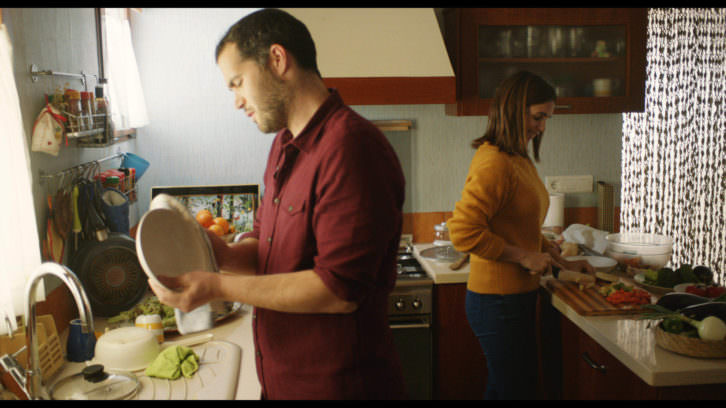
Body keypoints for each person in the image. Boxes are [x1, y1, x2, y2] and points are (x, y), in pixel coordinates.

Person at [147, 8, 407, 400]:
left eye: (237, 82)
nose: (236, 102)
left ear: (277, 60)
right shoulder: (283, 147)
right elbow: (273, 252)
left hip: (339, 388)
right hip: (284, 384)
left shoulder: (351, 147)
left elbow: (337, 292)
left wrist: (217, 286)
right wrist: (224, 254)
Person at [446, 71, 594, 400]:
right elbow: (463, 233)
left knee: (508, 390)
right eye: (538, 117)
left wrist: (554, 255)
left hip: (513, 298)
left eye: (547, 118)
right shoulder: (495, 164)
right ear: (514, 110)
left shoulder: (517, 158)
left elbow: (519, 226)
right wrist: (525, 256)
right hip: (497, 302)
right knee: (513, 391)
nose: (542, 127)